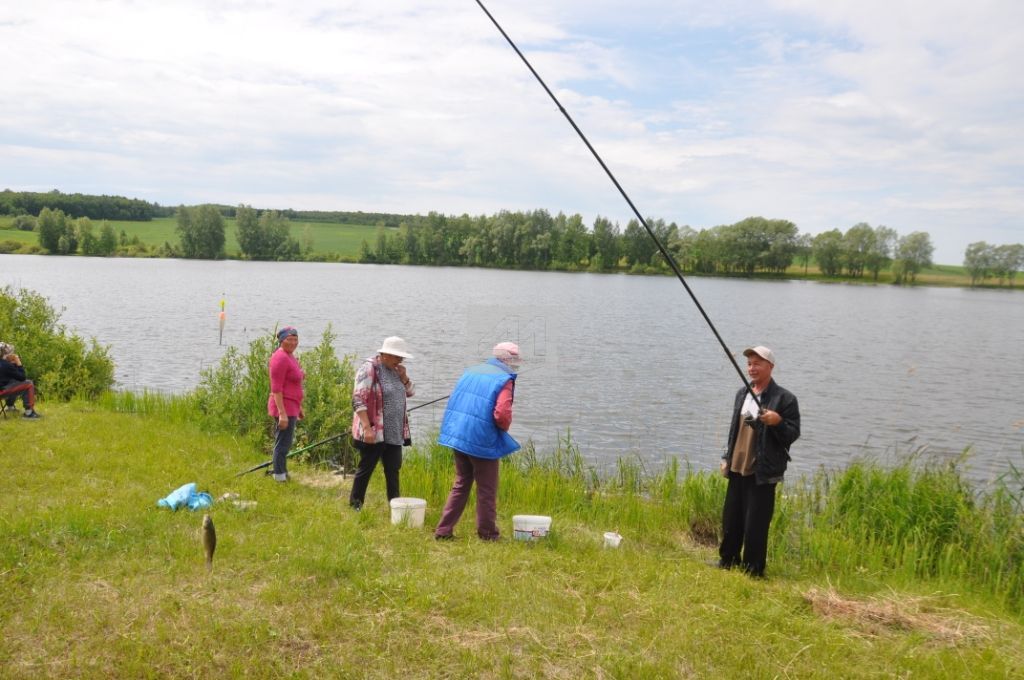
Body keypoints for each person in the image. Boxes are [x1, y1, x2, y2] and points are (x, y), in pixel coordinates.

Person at [716, 345, 800, 577]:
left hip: (762, 471)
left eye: (758, 363)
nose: (752, 368)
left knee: (756, 523)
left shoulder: (785, 399)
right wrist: (726, 456)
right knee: (731, 518)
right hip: (736, 467)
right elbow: (734, 430)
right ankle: (728, 560)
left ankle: (753, 569)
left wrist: (777, 421)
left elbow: (792, 433)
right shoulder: (742, 393)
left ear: (770, 367)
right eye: (749, 364)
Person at [434, 342, 521, 541]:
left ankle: (443, 530)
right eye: (516, 360)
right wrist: (503, 429)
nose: (517, 365)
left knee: (461, 482)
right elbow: (502, 414)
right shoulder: (504, 379)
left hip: (459, 434)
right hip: (481, 438)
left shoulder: (471, 371)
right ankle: (488, 534)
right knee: (487, 489)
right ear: (508, 360)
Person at [349, 336, 415, 510]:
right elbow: (358, 399)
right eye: (397, 356)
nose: (400, 360)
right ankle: (356, 505)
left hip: (395, 431)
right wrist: (366, 428)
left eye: (402, 357)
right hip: (374, 431)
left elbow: (410, 392)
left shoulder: (397, 370)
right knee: (366, 468)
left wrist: (404, 377)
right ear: (384, 354)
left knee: (393, 470)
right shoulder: (369, 368)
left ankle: (395, 508)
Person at [267, 327, 304, 482]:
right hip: (283, 406)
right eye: (289, 339)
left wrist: (299, 407)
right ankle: (279, 477)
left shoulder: (290, 356)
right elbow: (276, 388)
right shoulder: (280, 357)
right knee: (282, 443)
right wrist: (282, 413)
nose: (293, 343)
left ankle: (282, 472)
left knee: (286, 442)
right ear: (281, 340)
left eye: (295, 339)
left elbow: (292, 382)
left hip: (291, 405)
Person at [0, 342, 42, 419]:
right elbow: (22, 377)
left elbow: (12, 376)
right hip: (1, 391)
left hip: (2, 387)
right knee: (28, 383)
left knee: (13, 382)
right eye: (11, 352)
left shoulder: (4, 364)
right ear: (6, 354)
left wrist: (12, 364)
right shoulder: (6, 365)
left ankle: (10, 407)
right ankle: (29, 413)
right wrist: (18, 361)